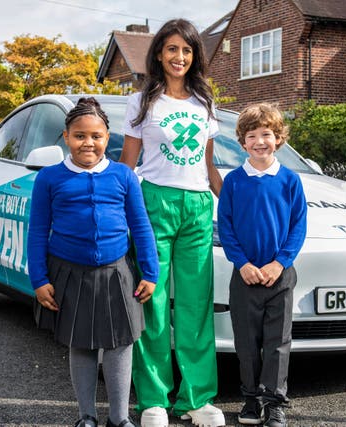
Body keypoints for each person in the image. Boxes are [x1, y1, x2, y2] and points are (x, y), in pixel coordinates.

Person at [27, 97, 159, 427]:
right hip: (69, 272)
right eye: (80, 136)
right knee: (82, 344)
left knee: (119, 344)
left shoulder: (123, 177)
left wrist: (151, 271)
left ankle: (119, 417)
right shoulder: (49, 178)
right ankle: (86, 416)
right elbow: (38, 230)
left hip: (117, 272)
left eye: (96, 136)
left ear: (106, 137)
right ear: (66, 137)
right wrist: (39, 279)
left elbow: (141, 226)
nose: (89, 143)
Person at [120, 18, 225, 427]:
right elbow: (127, 167)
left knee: (197, 305)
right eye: (172, 49)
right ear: (159, 54)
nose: (179, 57)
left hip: (198, 204)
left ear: (195, 55)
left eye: (187, 50)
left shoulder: (204, 100)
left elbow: (210, 165)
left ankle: (197, 399)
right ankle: (154, 400)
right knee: (154, 302)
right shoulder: (142, 101)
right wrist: (120, 216)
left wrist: (230, 206)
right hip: (154, 203)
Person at [217, 103, 307, 427]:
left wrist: (279, 263)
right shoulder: (234, 182)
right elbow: (225, 227)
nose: (259, 141)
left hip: (279, 277)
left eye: (266, 134)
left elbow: (298, 226)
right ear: (242, 142)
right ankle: (251, 399)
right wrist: (241, 263)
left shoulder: (290, 181)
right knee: (247, 343)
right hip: (244, 277)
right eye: (252, 135)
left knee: (277, 343)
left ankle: (275, 402)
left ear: (278, 138)